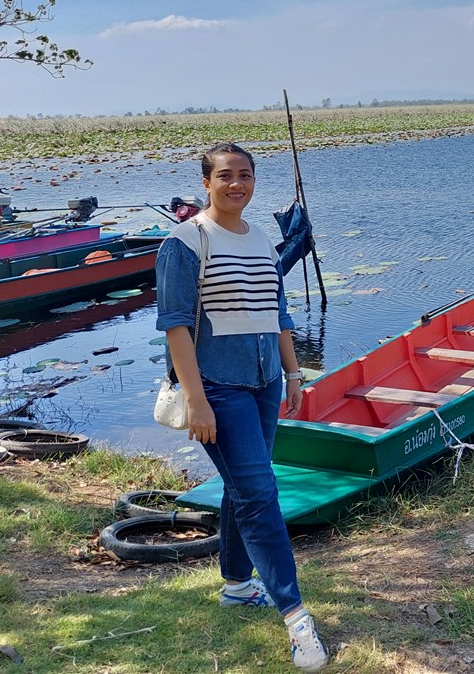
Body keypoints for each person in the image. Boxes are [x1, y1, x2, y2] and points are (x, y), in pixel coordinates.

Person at [155, 142, 328, 672]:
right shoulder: (185, 242)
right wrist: (198, 400)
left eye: (246, 175)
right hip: (219, 386)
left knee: (243, 486)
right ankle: (297, 619)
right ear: (206, 182)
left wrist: (294, 372)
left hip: (264, 384)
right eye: (225, 176)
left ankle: (235, 587)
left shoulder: (258, 238)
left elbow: (276, 312)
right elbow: (176, 328)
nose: (237, 185)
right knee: (259, 493)